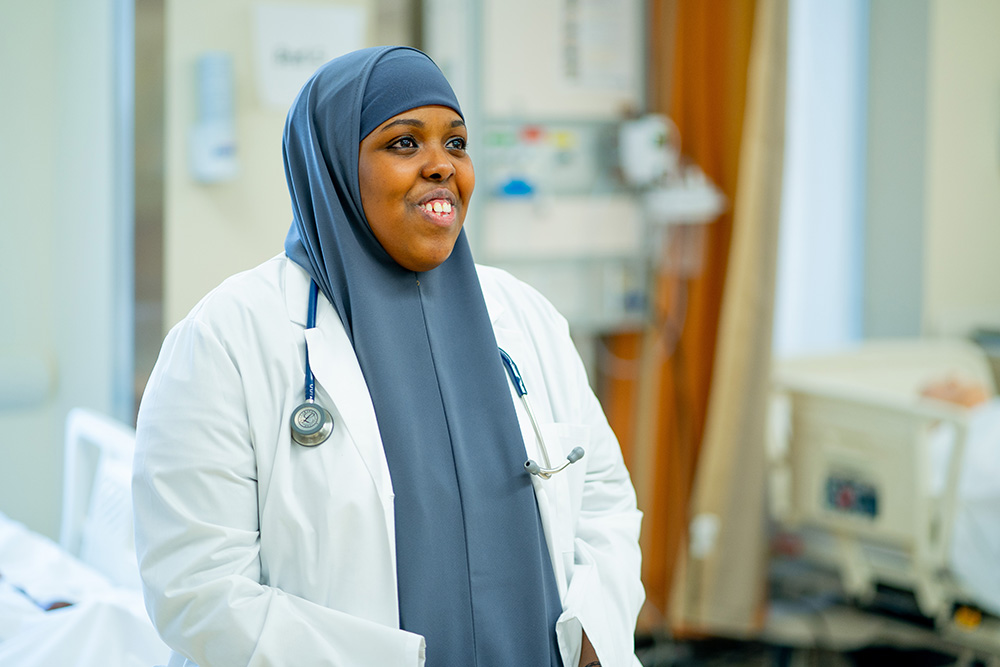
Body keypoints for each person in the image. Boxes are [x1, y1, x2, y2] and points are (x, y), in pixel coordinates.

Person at [132, 45, 644, 667]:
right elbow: (197, 589)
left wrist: (591, 635)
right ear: (332, 169)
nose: (441, 167)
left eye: (455, 144)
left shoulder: (526, 318)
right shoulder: (226, 341)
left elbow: (604, 502)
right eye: (405, 144)